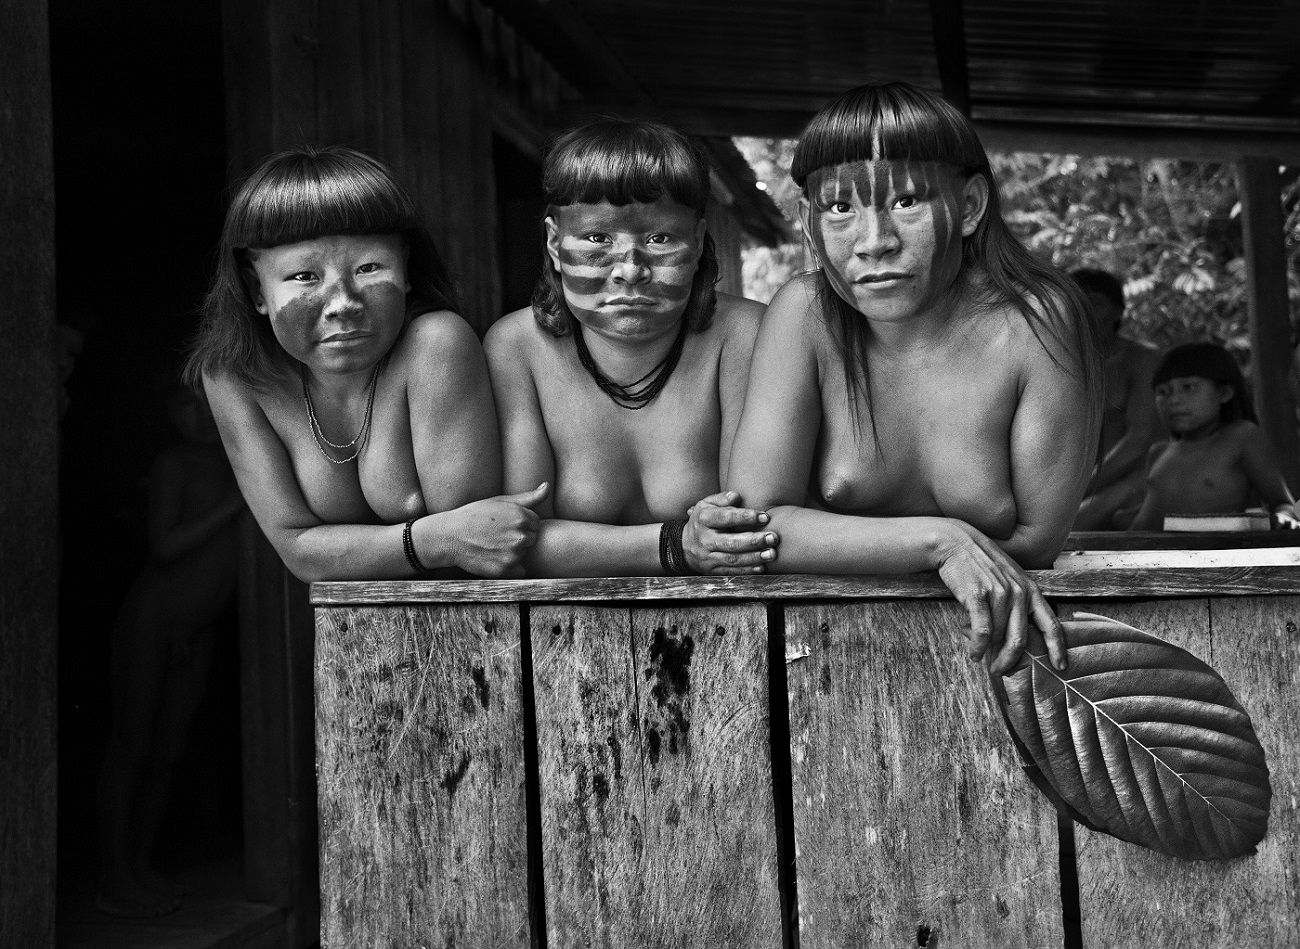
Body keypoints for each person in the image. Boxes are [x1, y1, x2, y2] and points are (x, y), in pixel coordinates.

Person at [727, 82, 1101, 673]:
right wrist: (940, 541)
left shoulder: (1034, 321)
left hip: (1009, 660)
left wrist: (838, 543)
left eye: (906, 202)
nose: (874, 243)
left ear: (972, 205)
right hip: (824, 659)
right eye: (840, 209)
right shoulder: (805, 315)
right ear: (808, 220)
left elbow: (1037, 541)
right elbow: (753, 527)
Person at [185, 146, 545, 582]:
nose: (343, 303)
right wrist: (435, 539)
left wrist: (424, 542)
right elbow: (299, 552)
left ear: (406, 270)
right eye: (304, 277)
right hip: (352, 640)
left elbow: (475, 543)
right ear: (257, 290)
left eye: (369, 267)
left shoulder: (435, 344)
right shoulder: (234, 376)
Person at [484, 120, 777, 576]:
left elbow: (747, 529)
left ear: (698, 242)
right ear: (554, 244)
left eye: (659, 239)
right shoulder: (517, 349)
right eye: (598, 238)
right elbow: (513, 538)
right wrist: (676, 545)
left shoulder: (744, 335)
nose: (630, 270)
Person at [96, 382, 243, 917]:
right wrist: (232, 505)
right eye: (186, 403)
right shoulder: (173, 464)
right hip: (153, 620)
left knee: (167, 752)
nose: (200, 414)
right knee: (132, 745)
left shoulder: (238, 462)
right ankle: (115, 878)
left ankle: (141, 867)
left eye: (208, 402)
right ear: (168, 413)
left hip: (192, 630)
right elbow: (164, 547)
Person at [1128, 342, 1299, 530]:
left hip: (1206, 556)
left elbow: (1282, 502)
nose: (1174, 400)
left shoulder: (1241, 438)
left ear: (1224, 393)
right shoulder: (1158, 452)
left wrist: (1284, 518)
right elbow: (1154, 508)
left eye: (1188, 387)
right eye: (1163, 392)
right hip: (1139, 552)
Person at [1070, 268, 1163, 530]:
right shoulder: (1064, 363)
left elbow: (1138, 440)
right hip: (1085, 483)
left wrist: (1082, 488)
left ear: (1118, 311)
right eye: (1078, 304)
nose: (1087, 312)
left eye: (1096, 304)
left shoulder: (1141, 360)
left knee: (1069, 528)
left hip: (1142, 477)